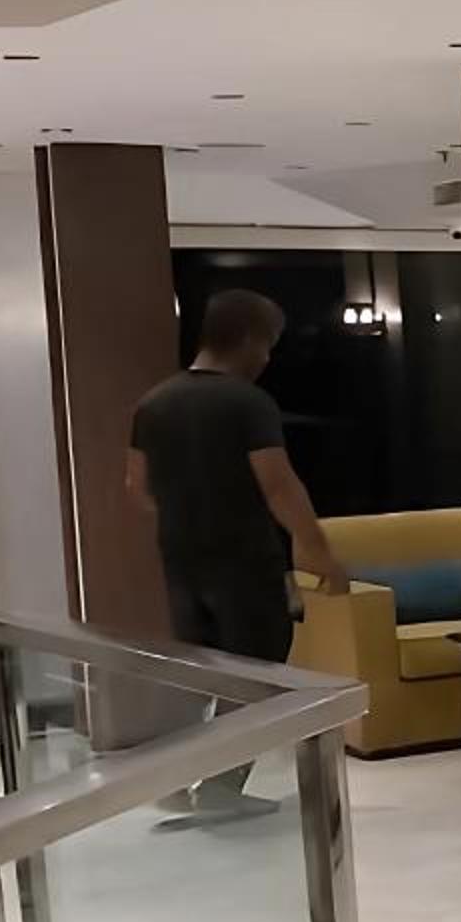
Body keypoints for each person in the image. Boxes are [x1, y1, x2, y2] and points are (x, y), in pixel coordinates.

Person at [126, 288, 346, 812]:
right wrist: (317, 551)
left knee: (196, 674)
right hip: (245, 562)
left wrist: (188, 516)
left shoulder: (153, 403)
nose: (268, 357)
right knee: (256, 677)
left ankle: (174, 782)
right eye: (268, 344)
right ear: (249, 339)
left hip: (180, 559)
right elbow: (279, 486)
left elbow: (137, 486)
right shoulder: (247, 402)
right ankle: (221, 789)